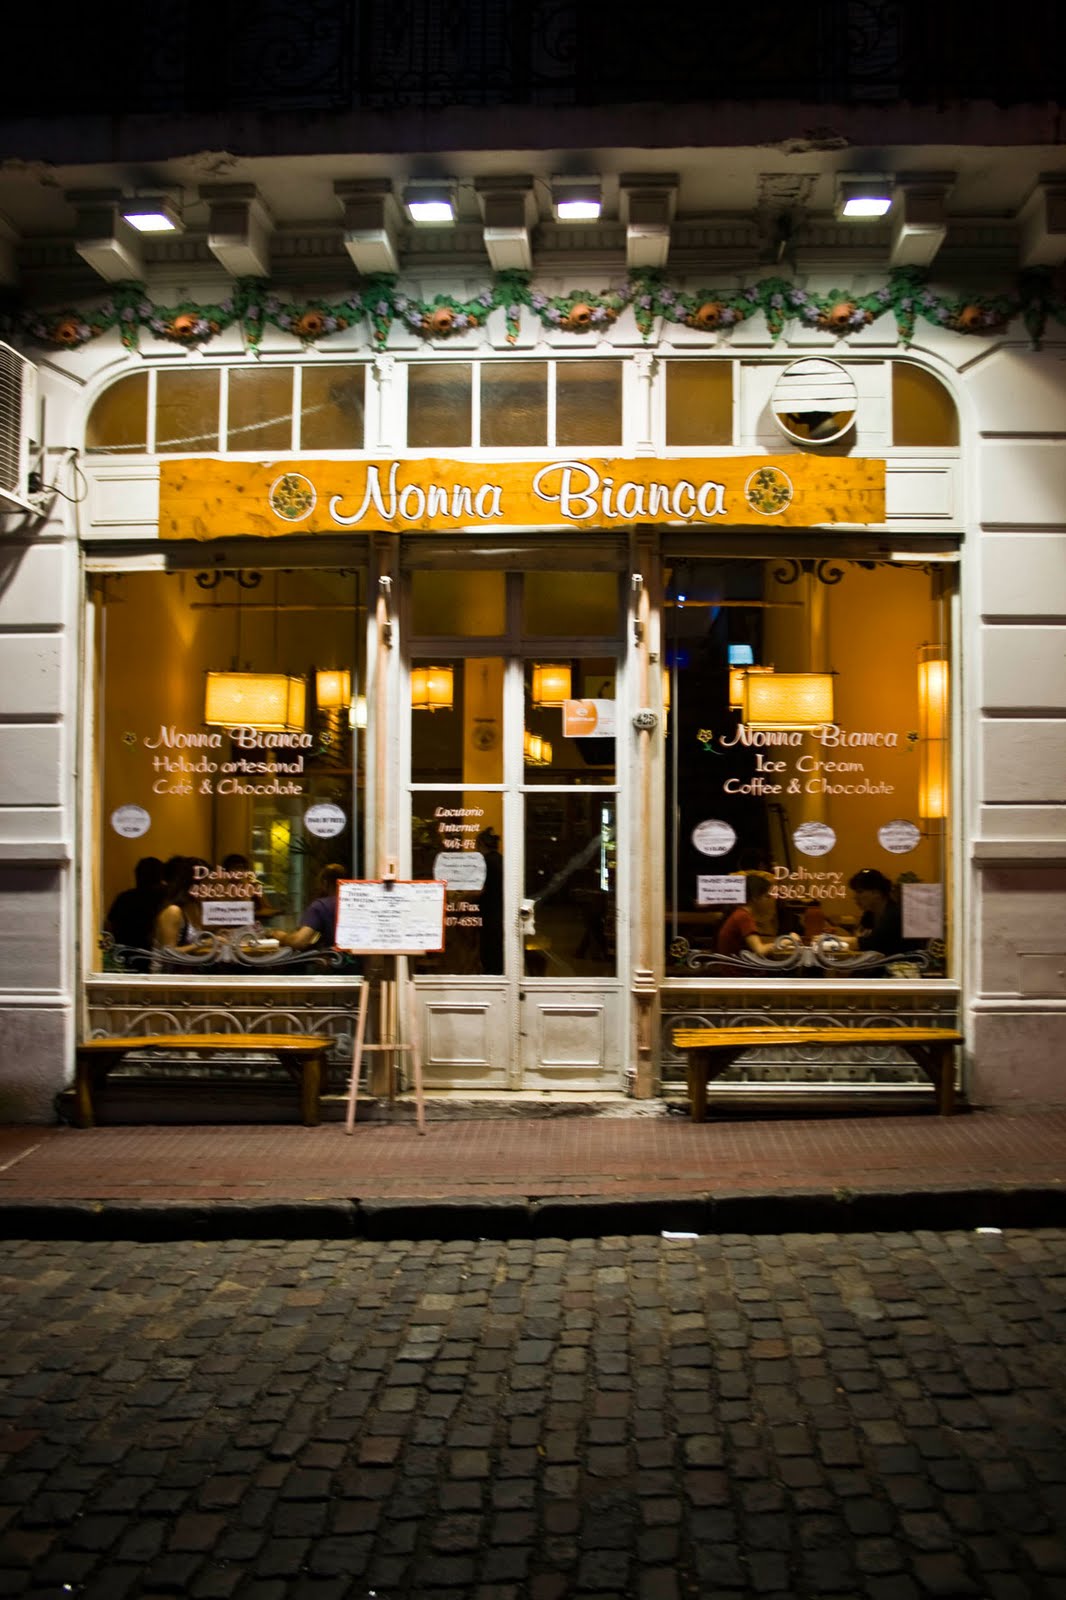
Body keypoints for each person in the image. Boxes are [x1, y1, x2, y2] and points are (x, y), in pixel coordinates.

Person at [716, 874, 795, 965]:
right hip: (741, 971)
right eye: (767, 897)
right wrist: (788, 941)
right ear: (755, 898)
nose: (771, 900)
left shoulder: (740, 913)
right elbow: (760, 950)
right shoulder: (743, 917)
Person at [845, 867, 920, 958]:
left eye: (860, 892)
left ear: (876, 893)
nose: (855, 897)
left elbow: (869, 944)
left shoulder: (894, 915)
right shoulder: (869, 915)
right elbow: (860, 938)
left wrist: (833, 940)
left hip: (902, 964)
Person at [105, 856, 165, 967]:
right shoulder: (165, 897)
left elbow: (109, 927)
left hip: (127, 955)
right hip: (148, 956)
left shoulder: (125, 898)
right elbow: (110, 926)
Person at [277, 863, 348, 952]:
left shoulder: (321, 906)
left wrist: (281, 936)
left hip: (333, 958)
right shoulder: (354, 903)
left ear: (325, 883)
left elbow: (299, 942)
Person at [154, 855, 207, 952]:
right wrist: (204, 943)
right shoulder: (173, 911)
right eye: (205, 884)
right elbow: (168, 952)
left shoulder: (194, 906)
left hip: (189, 961)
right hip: (168, 962)